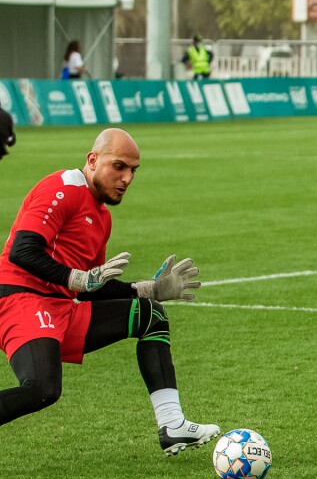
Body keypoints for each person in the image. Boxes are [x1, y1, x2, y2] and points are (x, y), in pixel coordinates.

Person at [0, 128, 220, 456]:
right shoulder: (63, 187)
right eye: (119, 167)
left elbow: (91, 288)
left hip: (60, 306)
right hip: (21, 298)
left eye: (133, 170)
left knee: (149, 315)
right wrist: (77, 280)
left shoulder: (102, 218)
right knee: (43, 389)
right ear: (93, 160)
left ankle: (172, 425)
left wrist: (147, 289)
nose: (127, 178)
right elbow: (22, 250)